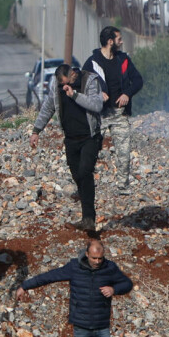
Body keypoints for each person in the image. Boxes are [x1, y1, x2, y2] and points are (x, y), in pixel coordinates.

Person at [15, 240, 132, 337]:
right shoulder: (74, 268)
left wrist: (114, 289)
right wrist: (25, 286)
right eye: (94, 258)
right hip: (81, 326)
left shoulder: (109, 268)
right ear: (87, 254)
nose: (97, 262)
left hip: (102, 325)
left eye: (100, 259)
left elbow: (127, 283)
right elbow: (50, 276)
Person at [30, 63, 103, 231]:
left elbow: (97, 105)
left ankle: (89, 218)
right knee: (77, 175)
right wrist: (36, 131)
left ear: (73, 75)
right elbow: (48, 107)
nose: (64, 87)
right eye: (61, 84)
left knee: (85, 172)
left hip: (89, 137)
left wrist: (75, 95)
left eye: (65, 83)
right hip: (70, 139)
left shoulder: (89, 80)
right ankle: (87, 218)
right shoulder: (57, 86)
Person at [82, 26, 143, 195]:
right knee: (90, 150)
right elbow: (82, 86)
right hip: (99, 115)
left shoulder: (123, 60)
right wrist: (97, 93)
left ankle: (123, 187)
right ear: (110, 42)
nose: (122, 42)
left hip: (119, 113)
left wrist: (127, 94)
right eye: (119, 39)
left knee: (124, 151)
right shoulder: (92, 62)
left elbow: (138, 80)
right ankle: (85, 185)